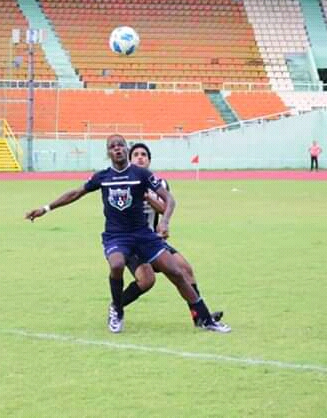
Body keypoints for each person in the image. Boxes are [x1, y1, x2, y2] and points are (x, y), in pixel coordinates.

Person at [25, 134, 229, 334]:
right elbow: (75, 193)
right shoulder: (102, 177)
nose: (117, 148)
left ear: (126, 148)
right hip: (116, 236)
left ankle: (204, 318)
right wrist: (46, 208)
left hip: (143, 235)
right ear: (108, 152)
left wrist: (165, 222)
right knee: (117, 265)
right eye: (113, 146)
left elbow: (169, 200)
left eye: (121, 145)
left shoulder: (141, 175)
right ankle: (117, 310)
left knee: (177, 271)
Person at [121, 143, 228, 331]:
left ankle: (200, 317)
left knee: (185, 269)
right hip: (131, 242)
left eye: (144, 154)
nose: (140, 157)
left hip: (153, 241)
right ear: (130, 160)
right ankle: (116, 306)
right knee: (146, 281)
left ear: (149, 160)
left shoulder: (159, 184)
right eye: (136, 154)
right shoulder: (122, 183)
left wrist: (148, 198)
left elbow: (164, 208)